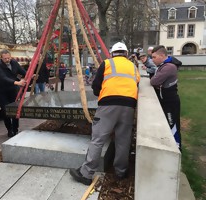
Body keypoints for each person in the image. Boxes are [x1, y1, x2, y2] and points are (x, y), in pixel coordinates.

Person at [69, 42, 140, 185]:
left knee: (98, 139)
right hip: (129, 106)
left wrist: (102, 93)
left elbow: (96, 86)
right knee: (123, 140)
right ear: (126, 54)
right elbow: (136, 84)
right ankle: (121, 172)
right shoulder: (133, 67)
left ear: (112, 53)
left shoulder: (107, 63)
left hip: (108, 105)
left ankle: (86, 174)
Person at [150, 45, 181, 150]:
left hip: (170, 102)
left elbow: (154, 81)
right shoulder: (164, 65)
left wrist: (155, 80)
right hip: (165, 100)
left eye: (154, 57)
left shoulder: (169, 67)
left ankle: (176, 148)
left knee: (172, 125)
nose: (152, 60)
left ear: (162, 55)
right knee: (168, 124)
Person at [0, 49, 26, 137]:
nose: (7, 60)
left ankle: (15, 129)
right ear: (1, 58)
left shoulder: (14, 63)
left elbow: (22, 71)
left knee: (15, 110)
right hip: (2, 91)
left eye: (9, 58)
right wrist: (17, 83)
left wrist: (30, 75)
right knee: (6, 111)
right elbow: (3, 78)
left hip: (12, 90)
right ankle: (9, 130)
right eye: (5, 59)